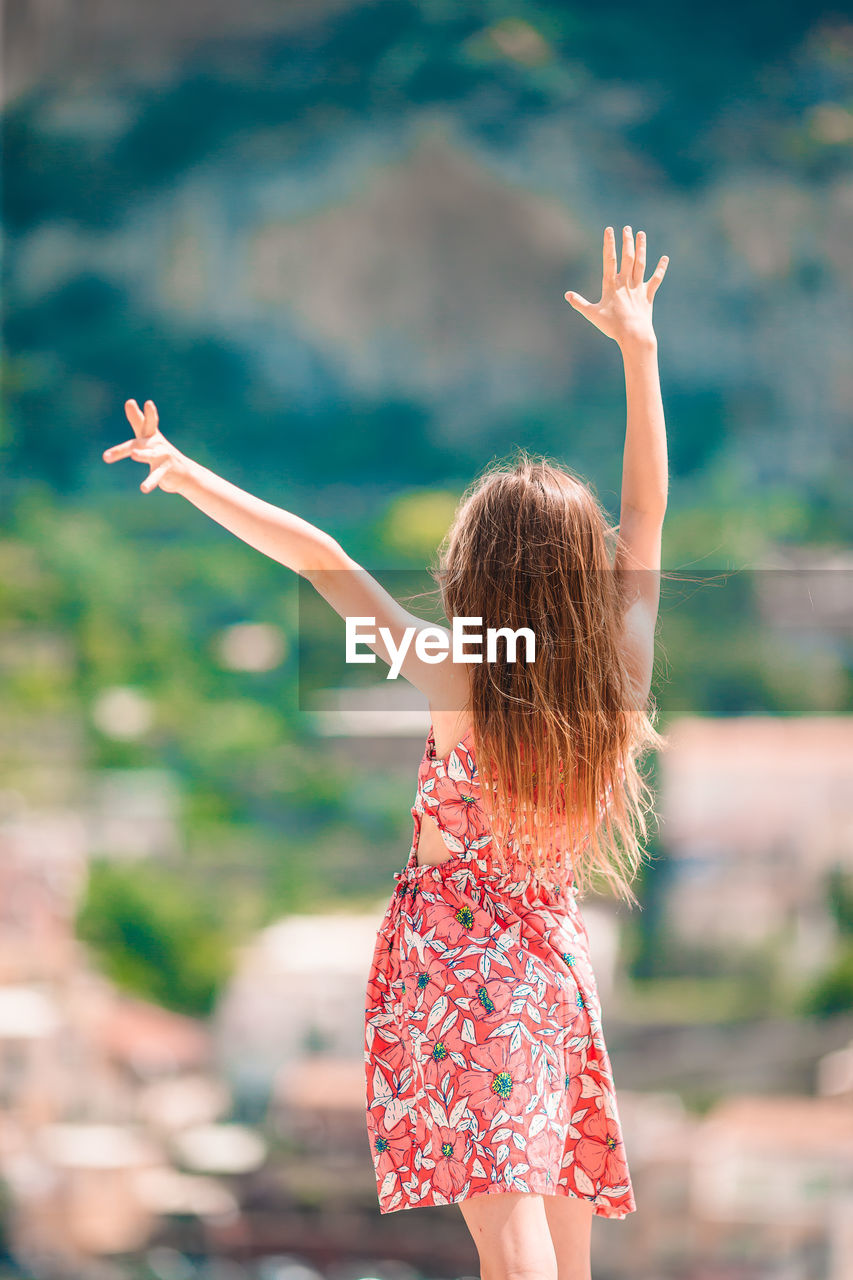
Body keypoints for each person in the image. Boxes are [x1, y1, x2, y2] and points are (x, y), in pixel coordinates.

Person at [103, 224, 669, 1280]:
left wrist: (189, 477)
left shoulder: (459, 677)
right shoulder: (615, 681)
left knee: (510, 1245)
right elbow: (642, 511)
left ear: (478, 576)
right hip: (550, 969)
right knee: (561, 1237)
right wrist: (637, 351)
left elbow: (323, 559)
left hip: (451, 969)